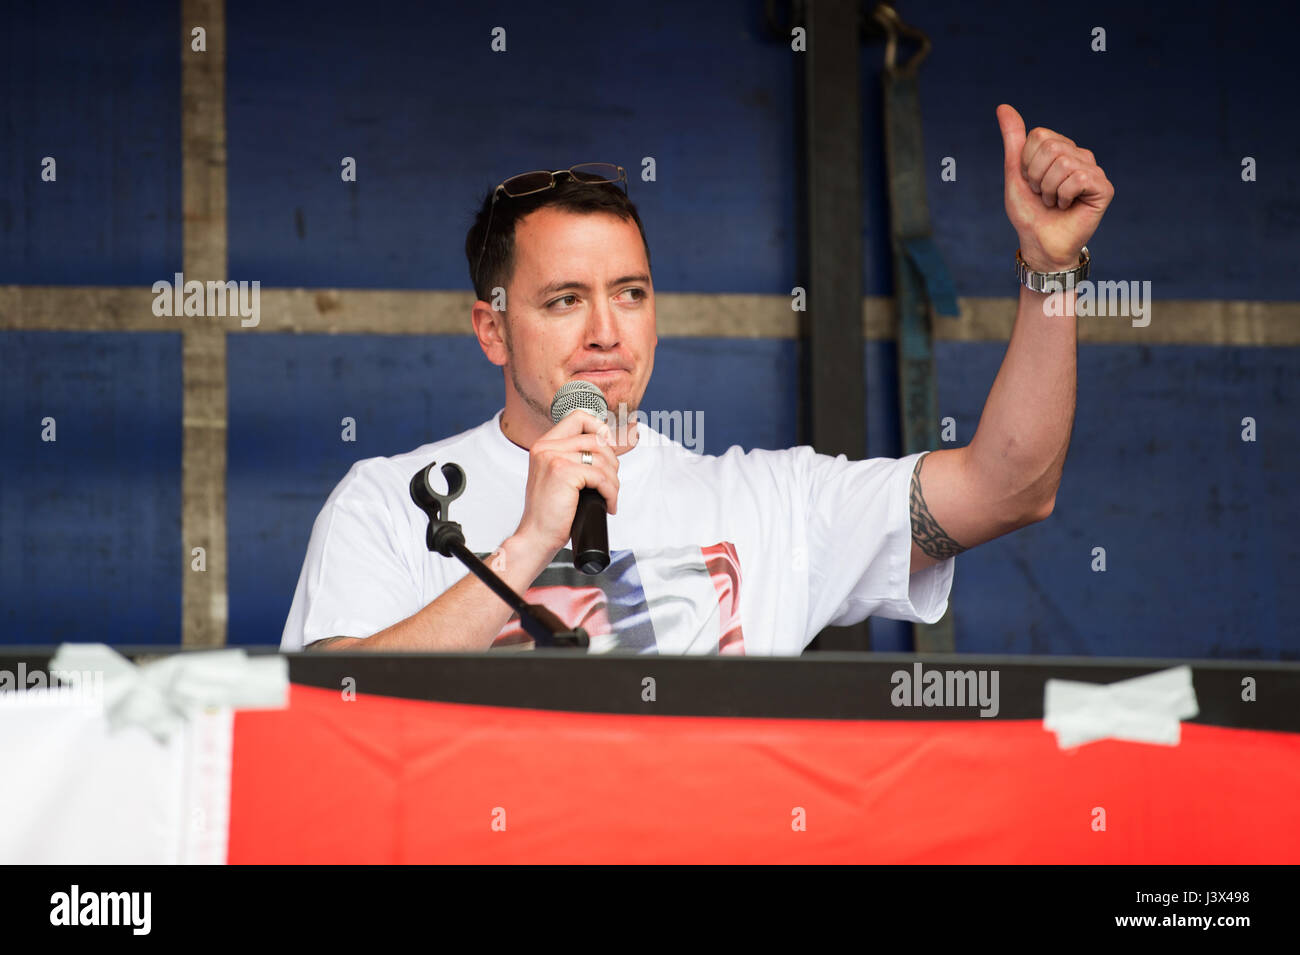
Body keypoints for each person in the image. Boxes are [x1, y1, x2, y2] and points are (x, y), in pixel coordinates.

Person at [280, 104, 1113, 654]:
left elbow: (1011, 487)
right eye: (566, 299)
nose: (606, 332)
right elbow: (328, 723)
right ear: (492, 329)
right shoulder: (394, 502)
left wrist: (1051, 269)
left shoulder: (771, 500)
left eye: (630, 294)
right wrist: (529, 543)